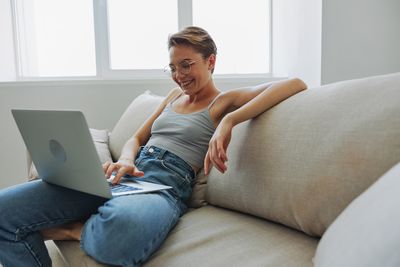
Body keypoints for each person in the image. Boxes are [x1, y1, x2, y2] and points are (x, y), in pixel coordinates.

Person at [0, 26, 307, 267]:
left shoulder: (221, 103)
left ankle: (70, 230)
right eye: (173, 67)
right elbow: (136, 137)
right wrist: (127, 160)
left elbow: (295, 83)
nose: (179, 76)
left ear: (211, 61)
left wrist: (229, 122)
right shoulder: (172, 98)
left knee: (119, 237)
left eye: (187, 65)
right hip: (125, 175)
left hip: (162, 187)